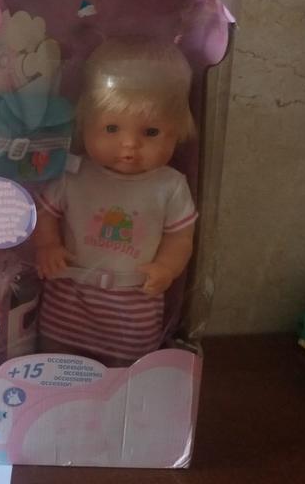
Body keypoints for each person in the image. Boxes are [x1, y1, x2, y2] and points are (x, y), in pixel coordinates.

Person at [34, 37, 198, 364]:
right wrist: (48, 246)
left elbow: (180, 237)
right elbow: (44, 212)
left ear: (177, 131)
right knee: (54, 364)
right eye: (111, 128)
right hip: (69, 299)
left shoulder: (169, 185)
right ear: (85, 124)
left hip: (133, 306)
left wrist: (167, 267)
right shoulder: (74, 173)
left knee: (127, 373)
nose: (129, 145)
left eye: (150, 132)